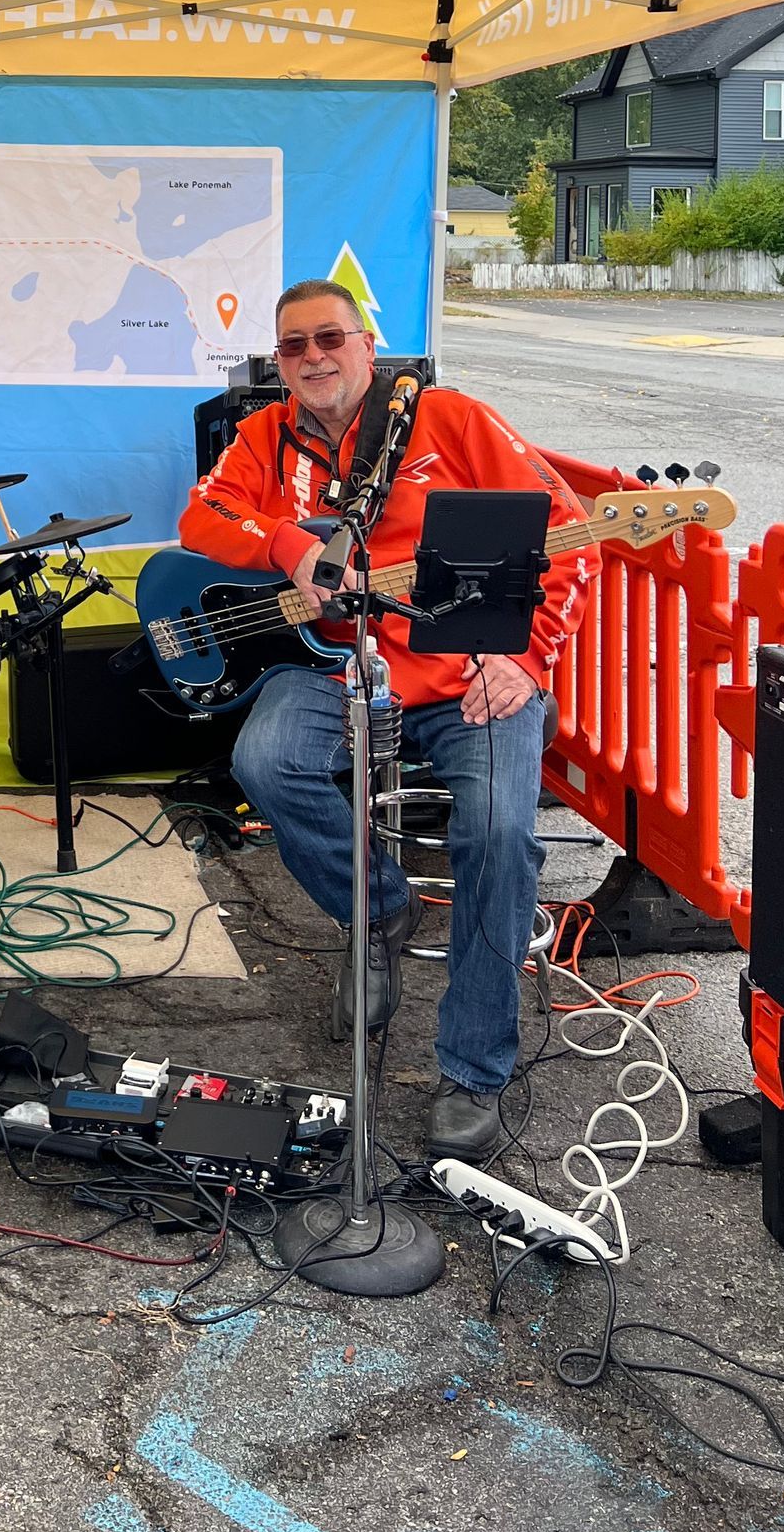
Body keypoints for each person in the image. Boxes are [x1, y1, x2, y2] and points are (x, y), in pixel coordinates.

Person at [178, 278, 591, 1163]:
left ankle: (474, 1067)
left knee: (497, 833)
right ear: (278, 362)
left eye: (330, 338)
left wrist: (527, 658)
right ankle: (379, 911)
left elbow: (571, 535)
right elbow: (201, 513)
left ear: (368, 344)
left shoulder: (454, 420)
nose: (314, 357)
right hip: (336, 667)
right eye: (294, 345)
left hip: (473, 674)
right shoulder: (264, 435)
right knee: (265, 763)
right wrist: (289, 546)